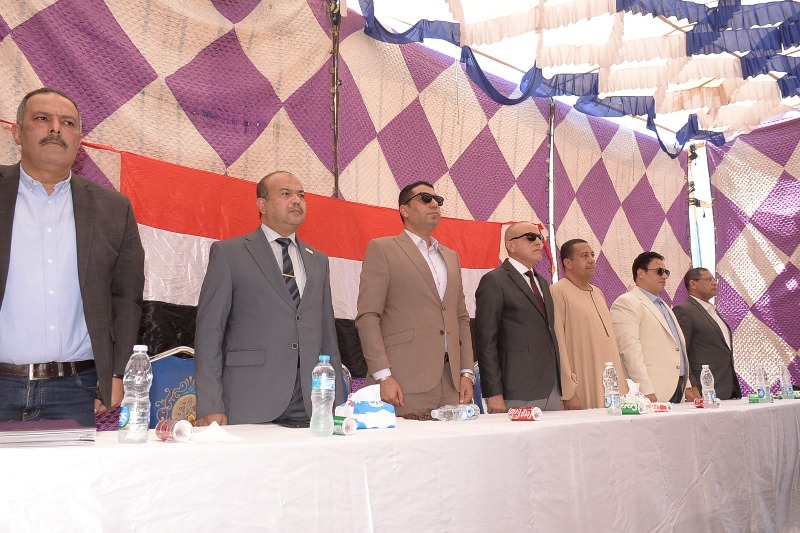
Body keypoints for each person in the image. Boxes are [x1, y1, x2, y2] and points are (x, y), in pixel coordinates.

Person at [0, 87, 144, 427]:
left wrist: (117, 373)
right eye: (42, 118)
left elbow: (127, 298)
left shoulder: (114, 208)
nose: (55, 128)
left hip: (75, 390)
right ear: (17, 132)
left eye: (67, 123)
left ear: (79, 138)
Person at [195, 171, 344, 426]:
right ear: (261, 205)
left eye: (301, 195)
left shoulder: (318, 260)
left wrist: (336, 403)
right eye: (286, 194)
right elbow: (210, 333)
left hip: (311, 404)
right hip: (250, 399)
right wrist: (210, 404)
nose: (296, 200)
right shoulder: (229, 254)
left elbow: (328, 336)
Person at [355, 181, 474, 416]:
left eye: (438, 200)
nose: (434, 204)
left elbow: (461, 318)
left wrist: (466, 373)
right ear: (404, 210)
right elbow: (368, 316)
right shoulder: (383, 249)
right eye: (425, 199)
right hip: (402, 382)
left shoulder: (451, 257)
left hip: (451, 385)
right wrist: (383, 376)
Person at [474, 222, 562, 413]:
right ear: (510, 245)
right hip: (517, 389)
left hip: (552, 387)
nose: (538, 242)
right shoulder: (495, 281)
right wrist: (494, 393)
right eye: (530, 237)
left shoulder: (542, 282)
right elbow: (485, 341)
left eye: (540, 238)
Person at [550, 239, 628, 409]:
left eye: (592, 255)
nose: (592, 260)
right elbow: (558, 343)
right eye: (584, 256)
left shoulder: (598, 292)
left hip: (611, 383)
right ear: (568, 263)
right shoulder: (558, 291)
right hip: (583, 381)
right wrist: (569, 391)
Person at [610, 251, 693, 403]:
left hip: (678, 389)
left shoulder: (663, 305)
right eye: (659, 271)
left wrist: (686, 385)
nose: (664, 276)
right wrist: (645, 390)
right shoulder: (627, 302)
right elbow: (630, 351)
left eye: (666, 272)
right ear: (641, 273)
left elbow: (677, 348)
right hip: (653, 391)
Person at [673, 268, 742, 400]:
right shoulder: (684, 310)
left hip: (727, 389)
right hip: (703, 390)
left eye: (714, 279)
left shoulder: (712, 310)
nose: (714, 283)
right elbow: (681, 352)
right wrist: (691, 386)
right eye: (708, 279)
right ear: (693, 284)